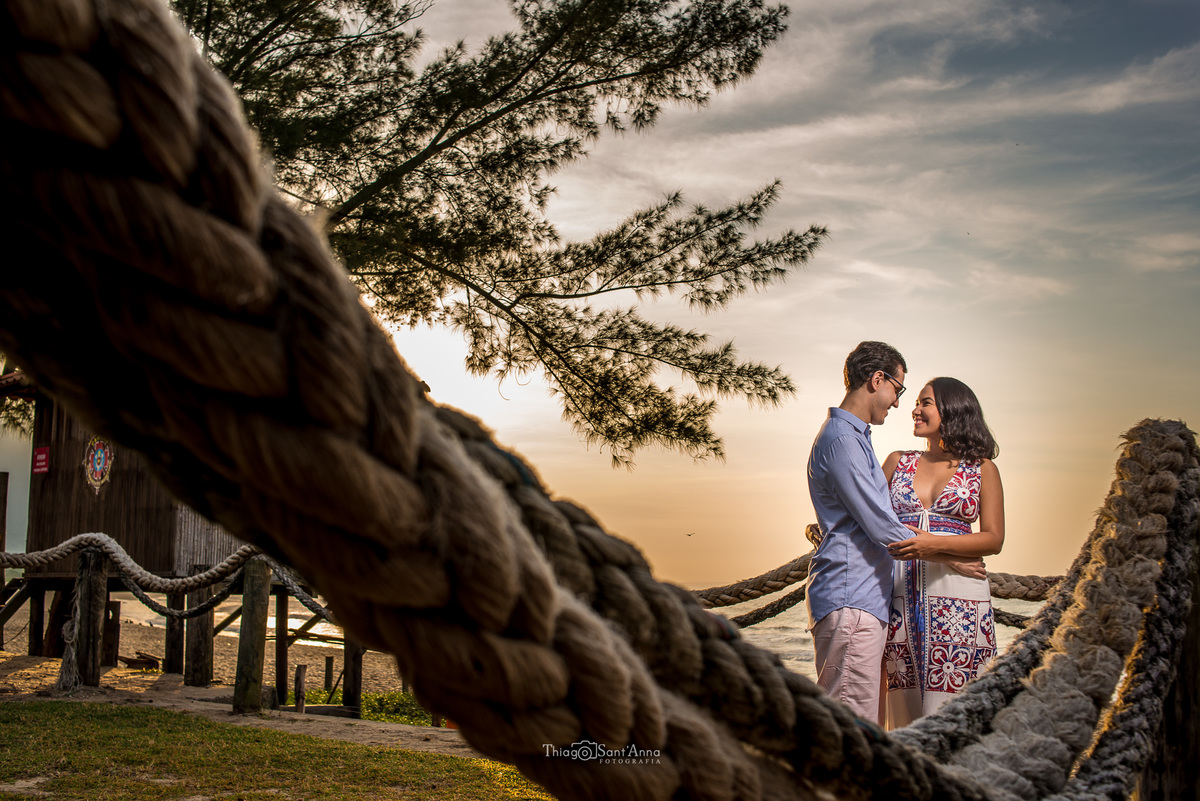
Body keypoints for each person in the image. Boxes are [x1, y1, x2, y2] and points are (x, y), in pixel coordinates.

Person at [805, 341, 936, 724]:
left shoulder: (852, 438)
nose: (898, 403)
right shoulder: (843, 440)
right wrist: (952, 554)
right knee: (850, 726)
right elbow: (882, 525)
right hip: (852, 599)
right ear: (877, 379)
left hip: (860, 600)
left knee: (858, 722)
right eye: (898, 388)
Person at [882, 377, 1004, 728]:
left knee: (957, 707)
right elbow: (869, 520)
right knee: (901, 705)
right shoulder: (896, 461)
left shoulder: (982, 469)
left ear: (952, 410)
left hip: (960, 597)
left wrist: (931, 546)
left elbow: (993, 539)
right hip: (897, 597)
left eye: (925, 403)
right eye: (917, 402)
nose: (915, 410)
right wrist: (939, 553)